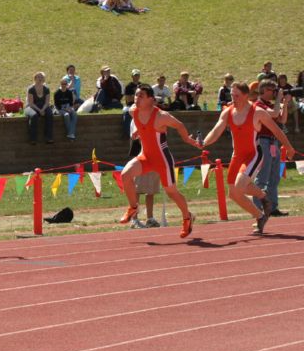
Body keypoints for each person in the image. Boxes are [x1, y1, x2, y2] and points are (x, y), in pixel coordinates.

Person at [201, 81, 294, 235]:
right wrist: (203, 142)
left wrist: (289, 147)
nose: (233, 98)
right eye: (231, 95)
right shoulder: (227, 112)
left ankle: (264, 201)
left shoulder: (257, 112)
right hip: (237, 155)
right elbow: (216, 131)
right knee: (233, 193)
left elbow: (277, 131)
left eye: (236, 95)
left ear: (246, 96)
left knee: (240, 186)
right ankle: (261, 212)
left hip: (253, 155)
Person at [118, 85, 201, 238]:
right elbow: (141, 124)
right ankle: (133, 207)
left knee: (172, 192)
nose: (136, 98)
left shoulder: (161, 116)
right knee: (125, 175)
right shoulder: (132, 111)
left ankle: (187, 217)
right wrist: (138, 130)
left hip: (162, 160)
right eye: (136, 95)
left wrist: (187, 139)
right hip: (145, 157)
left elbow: (179, 125)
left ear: (151, 99)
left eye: (141, 96)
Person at [251, 79, 290, 218]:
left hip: (273, 142)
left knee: (274, 176)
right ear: (263, 90)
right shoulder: (258, 104)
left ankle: (272, 207)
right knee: (263, 176)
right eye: (272, 90)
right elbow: (273, 114)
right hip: (263, 142)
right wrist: (279, 98)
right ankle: (257, 208)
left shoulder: (271, 105)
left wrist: (284, 104)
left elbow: (282, 120)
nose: (274, 92)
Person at [127, 119, 161, 229]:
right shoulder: (137, 118)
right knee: (137, 190)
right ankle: (134, 219)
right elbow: (137, 137)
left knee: (151, 190)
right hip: (141, 157)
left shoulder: (157, 115)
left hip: (154, 156)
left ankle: (150, 218)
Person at [25, 72, 53, 144]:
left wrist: (43, 109)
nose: (40, 79)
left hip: (43, 106)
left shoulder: (46, 89)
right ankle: (33, 139)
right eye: (38, 77)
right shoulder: (31, 89)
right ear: (35, 79)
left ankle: (48, 137)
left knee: (50, 114)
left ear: (44, 79)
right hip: (31, 107)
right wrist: (39, 110)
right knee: (34, 116)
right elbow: (31, 103)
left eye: (41, 77)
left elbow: (47, 102)